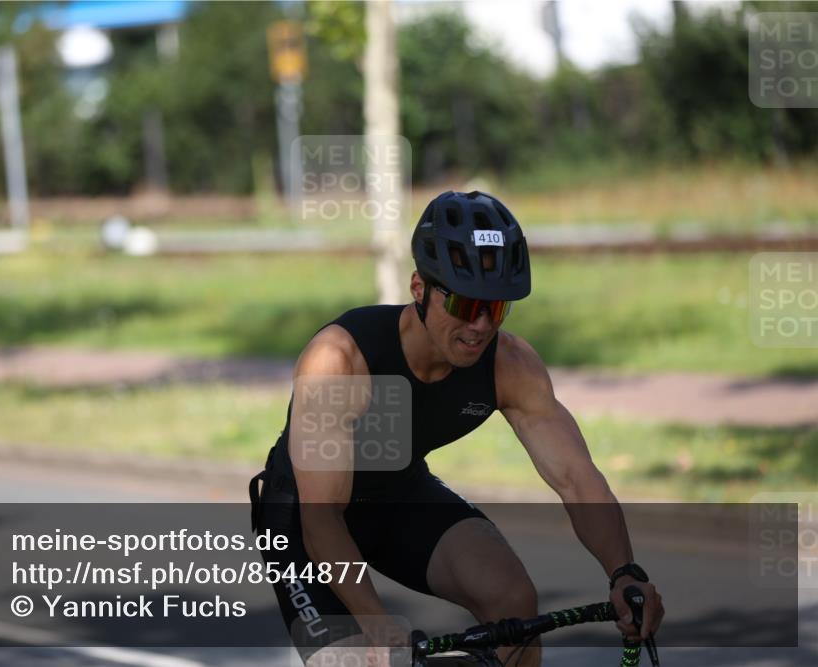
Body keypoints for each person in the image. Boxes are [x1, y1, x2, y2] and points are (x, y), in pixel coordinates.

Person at [249, 191, 663, 666]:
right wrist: (375, 621)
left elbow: (576, 477)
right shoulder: (340, 361)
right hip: (304, 520)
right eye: (467, 305)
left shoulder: (508, 364)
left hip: (399, 496)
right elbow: (323, 518)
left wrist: (624, 572)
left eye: (497, 308)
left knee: (511, 596)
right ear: (420, 289)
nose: (481, 326)